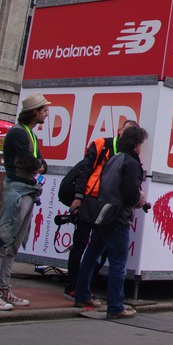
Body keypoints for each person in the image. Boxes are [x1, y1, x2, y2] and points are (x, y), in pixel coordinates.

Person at [0, 93, 50, 311]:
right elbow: (32, 163)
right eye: (44, 110)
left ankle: (2, 289)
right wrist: (38, 165)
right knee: (3, 240)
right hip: (18, 190)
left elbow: (40, 163)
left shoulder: (28, 134)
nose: (47, 113)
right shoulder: (18, 133)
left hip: (26, 190)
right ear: (34, 112)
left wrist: (38, 164)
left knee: (13, 244)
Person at [74, 124, 149, 319]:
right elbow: (129, 192)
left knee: (91, 255)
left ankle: (82, 295)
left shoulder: (113, 158)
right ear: (136, 145)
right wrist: (139, 198)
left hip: (102, 213)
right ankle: (115, 306)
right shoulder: (131, 164)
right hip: (118, 217)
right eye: (141, 144)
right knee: (118, 263)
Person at [62, 119, 138, 300]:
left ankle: (87, 289)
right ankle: (72, 287)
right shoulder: (101, 144)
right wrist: (78, 197)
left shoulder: (130, 156)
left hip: (108, 207)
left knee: (99, 252)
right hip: (90, 201)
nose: (126, 135)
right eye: (125, 131)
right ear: (119, 131)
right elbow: (84, 170)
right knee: (80, 245)